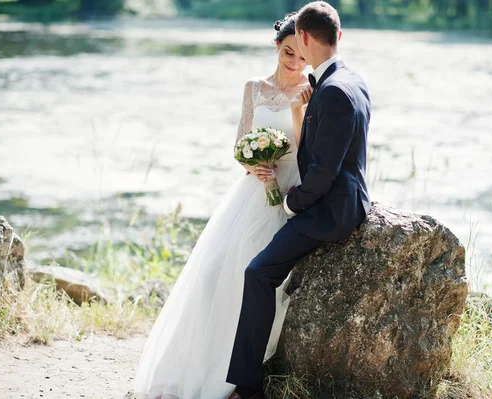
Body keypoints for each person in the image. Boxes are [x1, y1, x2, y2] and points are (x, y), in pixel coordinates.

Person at [131, 13, 313, 399]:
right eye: (287, 52)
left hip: (288, 196)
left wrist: (299, 110)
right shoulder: (254, 88)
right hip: (251, 195)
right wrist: (254, 165)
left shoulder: (310, 90)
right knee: (218, 273)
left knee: (260, 280)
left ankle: (237, 377)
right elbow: (239, 146)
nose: (294, 62)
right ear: (277, 47)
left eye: (301, 55)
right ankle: (203, 365)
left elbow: (307, 150)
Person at [225, 2, 371, 399]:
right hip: (338, 198)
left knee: (258, 273)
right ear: (337, 36)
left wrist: (290, 204)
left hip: (331, 210)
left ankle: (247, 387)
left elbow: (321, 175)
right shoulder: (350, 79)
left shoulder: (333, 92)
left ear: (304, 38)